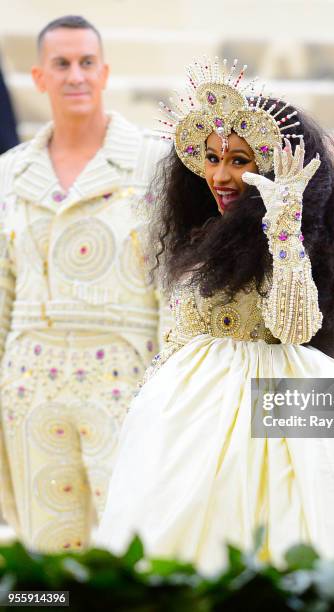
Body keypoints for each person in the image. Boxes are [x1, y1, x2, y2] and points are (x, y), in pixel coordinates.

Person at [97, 57, 334, 575]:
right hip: (190, 409)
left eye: (239, 160)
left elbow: (294, 328)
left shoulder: (290, 237)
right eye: (213, 158)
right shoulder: (201, 236)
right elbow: (177, 333)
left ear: (271, 165)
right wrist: (153, 402)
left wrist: (283, 227)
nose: (221, 174)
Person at [0, 15, 168, 552]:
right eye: (62, 64)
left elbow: (172, 285)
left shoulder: (154, 162)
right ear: (39, 78)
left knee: (129, 547)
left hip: (127, 382)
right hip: (27, 391)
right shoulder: (9, 172)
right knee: (46, 559)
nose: (76, 75)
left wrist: (169, 391)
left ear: (105, 72)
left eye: (86, 63)